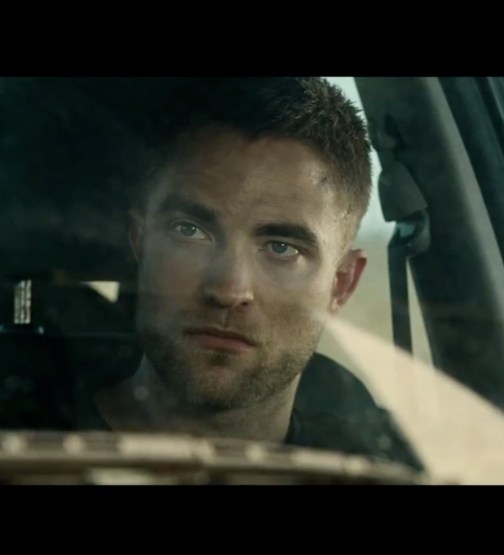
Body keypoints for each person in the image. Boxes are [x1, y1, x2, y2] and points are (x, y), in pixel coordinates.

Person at [89, 78, 419, 468]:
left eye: (282, 248)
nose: (229, 289)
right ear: (139, 241)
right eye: (190, 231)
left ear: (342, 284)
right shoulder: (21, 436)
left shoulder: (374, 472)